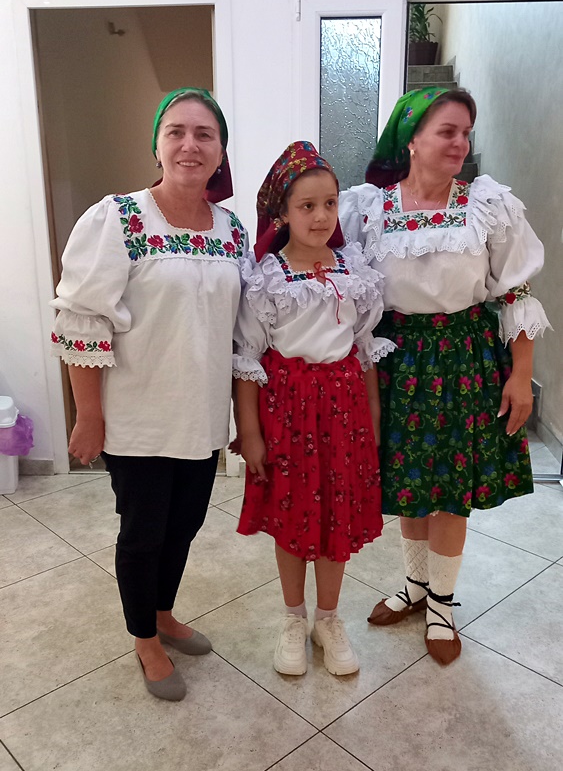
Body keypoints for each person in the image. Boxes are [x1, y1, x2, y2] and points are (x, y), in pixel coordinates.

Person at [339, 87, 551, 666]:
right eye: (447, 132)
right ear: (412, 139)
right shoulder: (368, 210)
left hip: (464, 358)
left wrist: (522, 374)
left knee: (451, 490)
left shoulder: (487, 205)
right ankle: (414, 587)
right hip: (397, 361)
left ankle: (442, 604)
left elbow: (516, 290)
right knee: (410, 483)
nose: (461, 143)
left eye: (466, 133)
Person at [51, 88, 247, 700]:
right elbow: (83, 319)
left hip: (201, 416)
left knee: (184, 525)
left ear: (220, 152)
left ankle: (163, 612)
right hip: (139, 417)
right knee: (143, 533)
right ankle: (144, 638)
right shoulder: (119, 218)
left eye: (204, 134)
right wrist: (89, 415)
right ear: (157, 146)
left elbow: (238, 329)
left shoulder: (232, 230)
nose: (190, 145)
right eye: (176, 132)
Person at [232, 141, 394, 677]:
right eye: (307, 206)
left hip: (345, 412)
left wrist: (372, 417)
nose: (321, 216)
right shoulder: (267, 278)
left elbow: (363, 350)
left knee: (335, 515)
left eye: (330, 203)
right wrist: (250, 432)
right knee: (291, 515)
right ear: (281, 212)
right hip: (288, 414)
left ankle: (328, 619)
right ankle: (292, 618)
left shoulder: (355, 270)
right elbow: (248, 359)